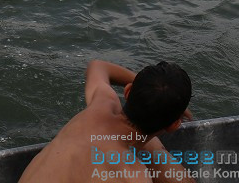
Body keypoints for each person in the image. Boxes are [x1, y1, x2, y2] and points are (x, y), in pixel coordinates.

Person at [19, 60, 193, 183]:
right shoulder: (133, 176)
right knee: (151, 146)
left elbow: (98, 65)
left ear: (127, 91)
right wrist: (168, 101)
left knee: (148, 145)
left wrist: (150, 88)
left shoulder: (101, 104)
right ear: (174, 125)